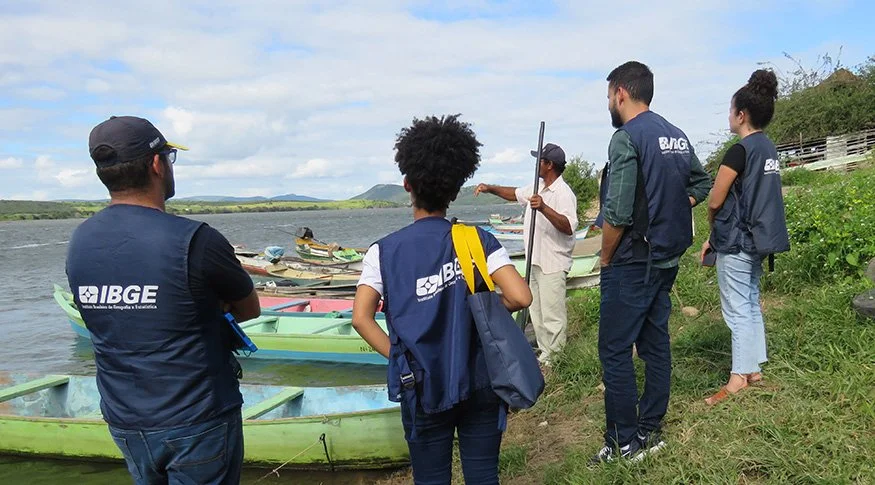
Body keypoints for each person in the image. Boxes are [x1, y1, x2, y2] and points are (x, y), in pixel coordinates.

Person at [66, 116, 260, 485]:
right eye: (169, 156)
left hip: (124, 419)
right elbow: (250, 308)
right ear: (157, 164)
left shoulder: (80, 241)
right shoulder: (196, 239)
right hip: (196, 419)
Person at [352, 114, 532, 485]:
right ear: (453, 191)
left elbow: (361, 319)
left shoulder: (383, 252)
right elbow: (520, 295)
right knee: (483, 476)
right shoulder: (476, 240)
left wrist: (400, 356)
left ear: (407, 185)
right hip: (480, 379)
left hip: (420, 383)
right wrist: (477, 309)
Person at [592, 61, 712, 464]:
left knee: (614, 350)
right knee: (655, 345)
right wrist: (674, 205)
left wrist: (605, 258)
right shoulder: (675, 135)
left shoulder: (626, 138)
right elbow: (701, 182)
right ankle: (650, 431)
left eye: (609, 95)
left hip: (630, 261)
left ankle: (623, 443)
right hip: (665, 259)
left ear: (621, 93)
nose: (609, 102)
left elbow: (618, 212)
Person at [700, 70, 789, 405]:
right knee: (750, 303)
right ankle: (753, 369)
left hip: (736, 240)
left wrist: (712, 233)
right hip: (759, 238)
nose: (729, 116)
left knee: (737, 308)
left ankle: (739, 376)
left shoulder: (739, 150)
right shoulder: (769, 148)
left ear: (741, 114)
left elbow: (715, 199)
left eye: (730, 110)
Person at [474, 143, 578, 365]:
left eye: (539, 160)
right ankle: (546, 355)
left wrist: (543, 208)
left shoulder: (563, 193)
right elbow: (514, 194)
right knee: (537, 314)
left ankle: (557, 359)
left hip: (553, 262)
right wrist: (490, 188)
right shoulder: (537, 185)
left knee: (552, 314)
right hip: (535, 260)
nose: (536, 164)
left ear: (549, 165)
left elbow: (568, 226)